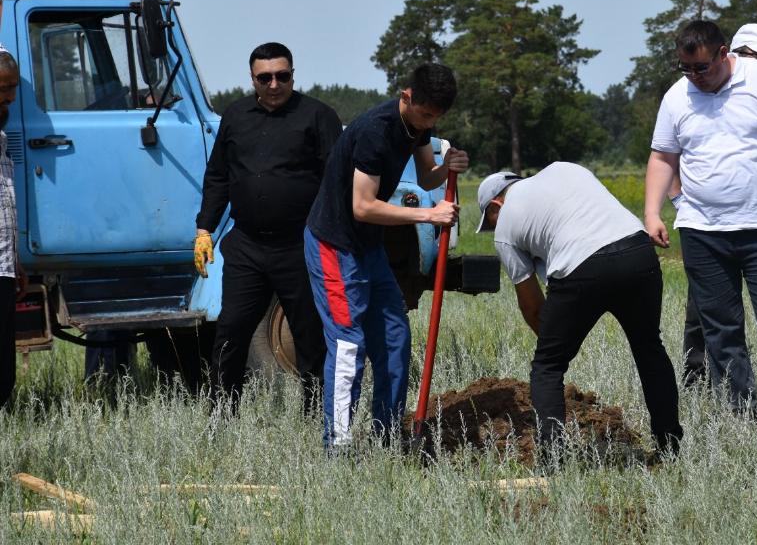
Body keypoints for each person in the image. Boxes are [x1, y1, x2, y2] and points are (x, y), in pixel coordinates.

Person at [644, 20, 757, 414]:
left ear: (725, 53)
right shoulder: (677, 98)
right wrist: (652, 212)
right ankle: (738, 413)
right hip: (702, 232)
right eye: (685, 68)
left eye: (702, 67)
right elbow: (662, 157)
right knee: (720, 330)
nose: (695, 77)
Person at [305, 64, 467, 450]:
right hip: (335, 244)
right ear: (406, 96)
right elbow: (363, 206)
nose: (429, 122)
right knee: (348, 344)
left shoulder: (419, 126)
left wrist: (448, 168)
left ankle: (388, 438)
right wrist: (428, 214)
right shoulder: (375, 132)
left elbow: (427, 177)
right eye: (425, 113)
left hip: (368, 247)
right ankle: (338, 448)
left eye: (436, 118)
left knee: (395, 337)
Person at [476, 163, 682, 459]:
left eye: (491, 220)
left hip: (581, 267)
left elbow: (532, 306)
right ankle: (670, 448)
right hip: (638, 252)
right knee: (650, 349)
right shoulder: (564, 168)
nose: (494, 228)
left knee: (547, 367)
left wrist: (557, 342)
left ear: (497, 204)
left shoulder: (506, 228)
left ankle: (554, 461)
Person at [196, 42, 343, 414]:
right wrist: (205, 230)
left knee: (309, 336)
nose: (274, 84)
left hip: (300, 246)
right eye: (265, 78)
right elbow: (217, 176)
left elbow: (337, 182)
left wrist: (335, 237)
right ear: (252, 79)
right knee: (230, 331)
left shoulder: (318, 116)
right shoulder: (235, 116)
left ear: (293, 75)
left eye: (283, 76)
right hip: (246, 246)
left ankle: (317, 418)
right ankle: (221, 417)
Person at [0, 50, 25, 409]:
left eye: (13, 88)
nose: (9, 97)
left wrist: (16, 263)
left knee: (5, 366)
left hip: (3, 263)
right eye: (2, 88)